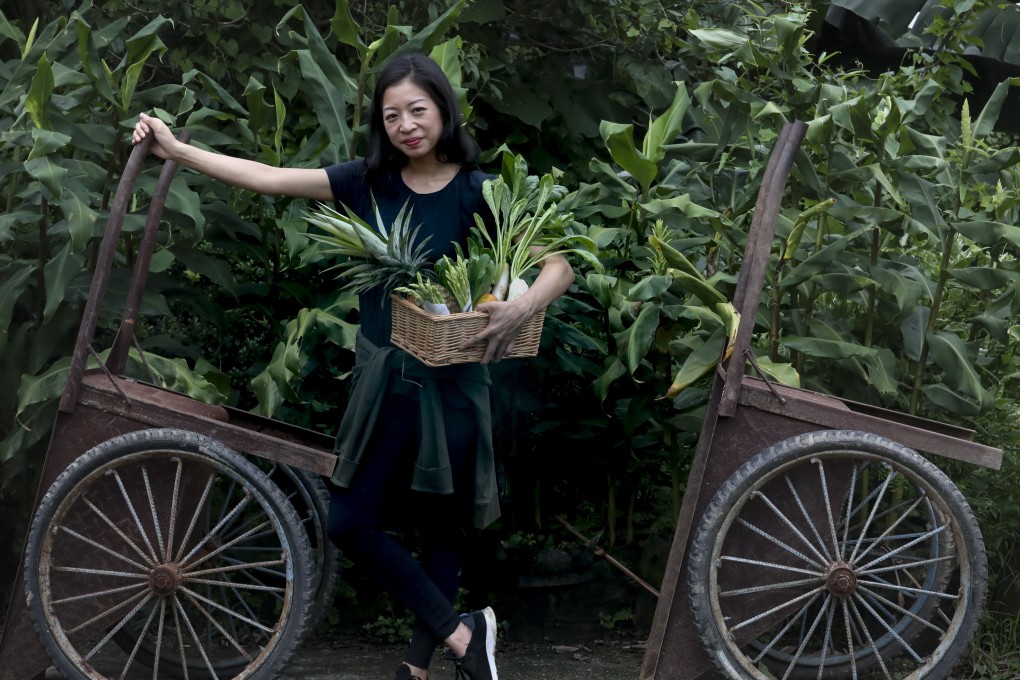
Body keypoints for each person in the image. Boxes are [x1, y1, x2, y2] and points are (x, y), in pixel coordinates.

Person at [131, 53, 574, 680]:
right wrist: (177, 151)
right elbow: (267, 178)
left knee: (442, 525)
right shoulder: (368, 182)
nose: (406, 125)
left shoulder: (479, 191)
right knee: (351, 521)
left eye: (418, 110)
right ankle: (462, 633)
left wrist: (523, 304)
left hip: (454, 382)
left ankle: (417, 669)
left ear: (444, 110)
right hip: (387, 380)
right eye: (392, 115)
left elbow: (559, 263)